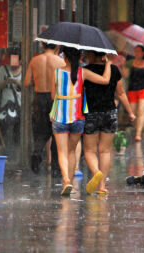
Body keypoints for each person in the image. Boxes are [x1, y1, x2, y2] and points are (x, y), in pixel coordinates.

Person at [50, 46, 111, 196]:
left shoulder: (56, 73)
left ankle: (66, 181)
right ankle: (68, 182)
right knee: (71, 151)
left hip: (59, 116)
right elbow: (105, 80)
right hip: (77, 117)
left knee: (62, 152)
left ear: (65, 57)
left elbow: (53, 96)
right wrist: (108, 63)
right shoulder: (83, 73)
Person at [83, 51, 136, 195]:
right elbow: (120, 93)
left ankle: (96, 172)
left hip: (91, 113)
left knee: (89, 151)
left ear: (92, 54)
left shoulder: (85, 70)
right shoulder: (113, 69)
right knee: (105, 150)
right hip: (110, 113)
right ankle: (101, 187)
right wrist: (130, 112)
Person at [24, 43, 65, 175]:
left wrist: (39, 80)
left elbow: (26, 82)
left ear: (42, 45)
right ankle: (55, 167)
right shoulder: (60, 61)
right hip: (55, 98)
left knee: (40, 131)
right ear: (57, 46)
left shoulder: (35, 60)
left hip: (39, 97)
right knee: (56, 132)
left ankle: (37, 153)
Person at [124, 45, 144, 141]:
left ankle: (138, 134)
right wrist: (123, 66)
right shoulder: (129, 63)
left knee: (141, 110)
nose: (136, 53)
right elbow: (125, 76)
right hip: (132, 89)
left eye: (138, 51)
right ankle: (140, 126)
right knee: (133, 112)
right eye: (135, 51)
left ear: (143, 53)